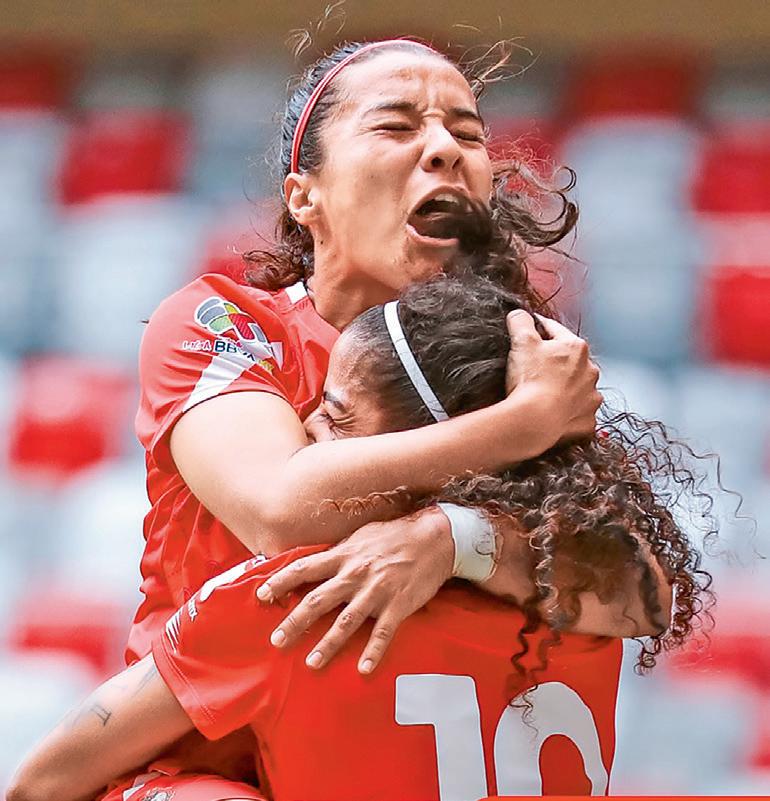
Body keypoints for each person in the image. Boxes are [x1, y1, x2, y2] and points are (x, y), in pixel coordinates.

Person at [8, 275, 711, 801]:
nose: (308, 424)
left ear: (434, 449)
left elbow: (39, 783)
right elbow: (652, 596)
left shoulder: (296, 599)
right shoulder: (583, 598)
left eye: (338, 415)